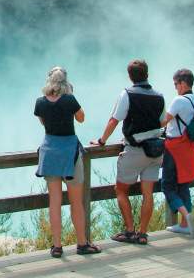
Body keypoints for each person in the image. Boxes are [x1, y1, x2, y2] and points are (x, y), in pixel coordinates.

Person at [90, 59, 165, 246]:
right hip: (155, 150)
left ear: (130, 76)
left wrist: (102, 141)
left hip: (135, 149)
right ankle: (143, 233)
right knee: (148, 193)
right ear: (147, 74)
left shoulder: (127, 94)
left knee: (121, 189)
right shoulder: (159, 96)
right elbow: (163, 121)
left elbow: (115, 120)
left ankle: (130, 231)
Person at [34, 67, 101, 257]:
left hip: (49, 152)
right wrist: (69, 100)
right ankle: (81, 243)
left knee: (54, 202)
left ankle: (57, 246)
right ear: (65, 82)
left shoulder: (40, 102)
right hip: (69, 152)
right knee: (75, 202)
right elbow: (81, 118)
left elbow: (43, 122)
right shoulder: (69, 100)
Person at [162, 68, 194, 238]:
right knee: (184, 185)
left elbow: (164, 121)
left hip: (174, 148)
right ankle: (186, 225)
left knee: (168, 186)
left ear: (183, 83)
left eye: (176, 84)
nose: (175, 87)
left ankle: (186, 215)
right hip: (189, 147)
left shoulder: (179, 100)